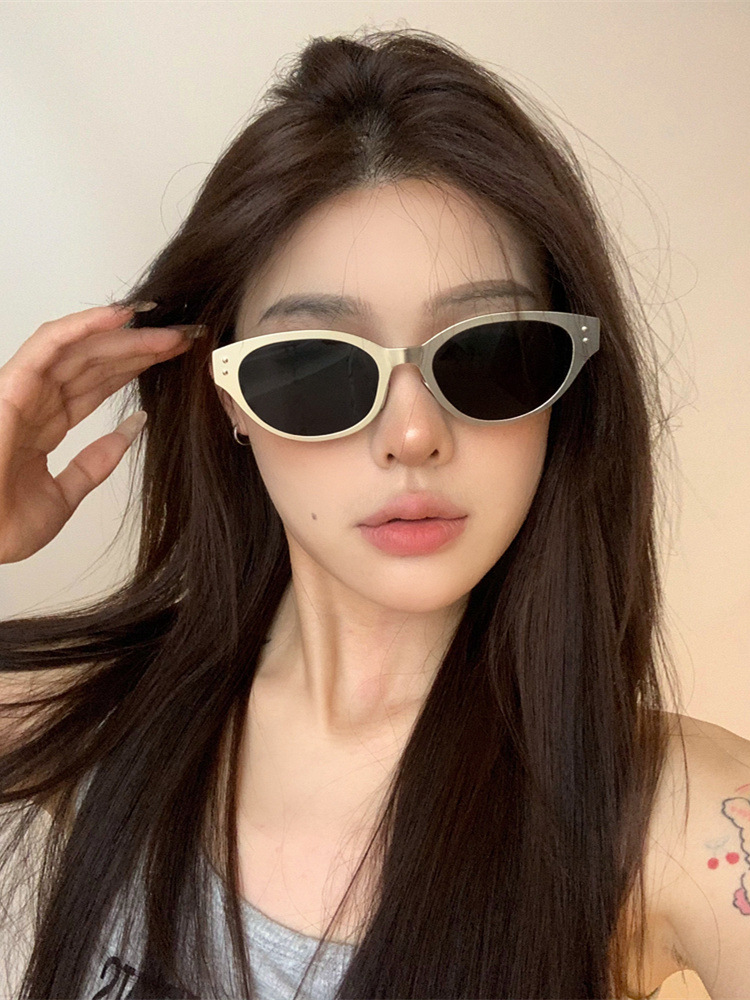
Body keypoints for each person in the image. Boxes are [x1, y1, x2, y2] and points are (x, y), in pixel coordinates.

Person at [0, 25, 746, 1000]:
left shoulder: (676, 819)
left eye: (489, 353)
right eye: (316, 367)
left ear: (566, 386)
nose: (413, 434)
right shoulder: (86, 718)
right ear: (229, 400)